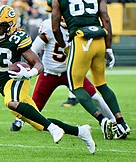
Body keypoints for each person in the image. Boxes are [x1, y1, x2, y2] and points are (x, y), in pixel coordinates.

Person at [0, 5, 96, 154]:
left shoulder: (17, 38)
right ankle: (81, 131)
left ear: (11, 26)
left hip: (16, 77)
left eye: (1, 26)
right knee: (38, 122)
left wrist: (29, 74)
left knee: (11, 102)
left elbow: (38, 64)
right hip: (2, 84)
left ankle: (53, 129)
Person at [11, 17, 117, 140]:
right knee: (35, 105)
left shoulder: (77, 27)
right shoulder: (50, 27)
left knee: (94, 96)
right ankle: (19, 121)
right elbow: (34, 49)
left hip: (70, 72)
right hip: (49, 73)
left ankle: (113, 121)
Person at [51, 0, 130, 139]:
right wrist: (109, 47)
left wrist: (64, 45)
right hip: (99, 38)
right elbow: (105, 17)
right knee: (101, 83)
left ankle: (103, 120)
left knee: (76, 86)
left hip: (81, 40)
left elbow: (55, 29)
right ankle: (121, 123)